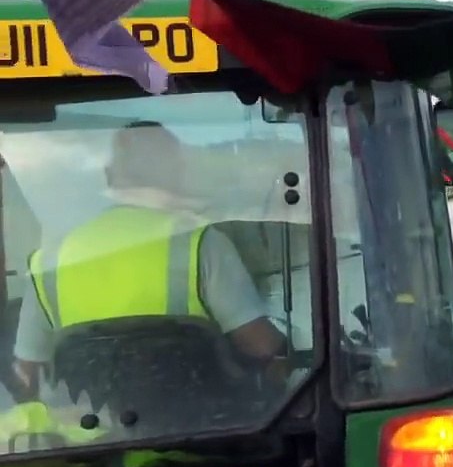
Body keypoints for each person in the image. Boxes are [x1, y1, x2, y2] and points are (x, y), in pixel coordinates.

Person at [10, 121, 286, 400]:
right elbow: (261, 346)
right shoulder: (200, 243)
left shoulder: (51, 261)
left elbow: (28, 374)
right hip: (197, 420)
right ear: (176, 173)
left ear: (109, 176)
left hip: (92, 424)